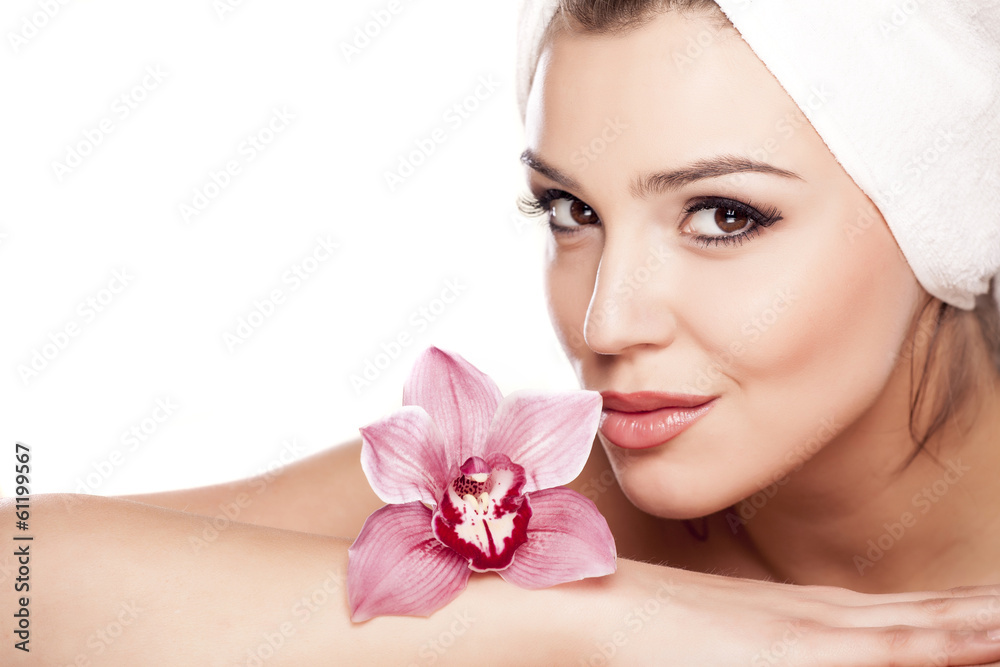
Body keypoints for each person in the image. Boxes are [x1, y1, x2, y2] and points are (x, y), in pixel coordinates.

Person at [5, 0, 1000, 664]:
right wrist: (598, 620)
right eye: (571, 211)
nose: (606, 322)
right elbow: (20, 574)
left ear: (946, 225)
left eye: (724, 216)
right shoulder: (513, 510)